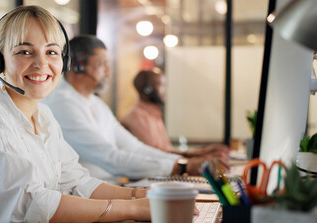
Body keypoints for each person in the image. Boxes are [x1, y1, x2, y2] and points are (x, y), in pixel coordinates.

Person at [0, 6, 152, 223]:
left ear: (64, 62)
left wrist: (142, 195)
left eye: (52, 52)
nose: (41, 63)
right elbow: (26, 205)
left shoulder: (43, 116)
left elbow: (76, 183)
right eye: (25, 52)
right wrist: (133, 209)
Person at [43, 35, 229, 182]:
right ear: (77, 66)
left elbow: (135, 148)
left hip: (111, 188)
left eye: (109, 64)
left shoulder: (95, 103)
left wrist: (183, 163)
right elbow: (111, 157)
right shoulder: (62, 103)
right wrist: (183, 167)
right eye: (102, 64)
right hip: (86, 197)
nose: (109, 71)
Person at [121, 69, 229, 158]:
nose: (165, 90)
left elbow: (166, 151)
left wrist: (203, 151)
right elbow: (157, 154)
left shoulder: (154, 113)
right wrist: (200, 154)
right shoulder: (137, 116)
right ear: (147, 90)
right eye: (161, 85)